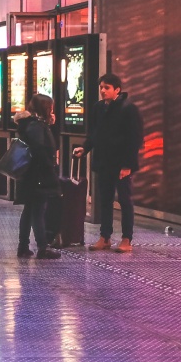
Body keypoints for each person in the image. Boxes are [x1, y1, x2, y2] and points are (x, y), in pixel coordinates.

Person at [74, 73, 144, 253]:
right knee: (104, 200)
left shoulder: (128, 109)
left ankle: (127, 238)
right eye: (101, 88)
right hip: (103, 161)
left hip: (121, 164)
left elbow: (134, 138)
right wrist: (85, 148)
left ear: (117, 90)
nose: (103, 91)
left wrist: (127, 165)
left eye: (107, 88)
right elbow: (94, 133)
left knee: (124, 200)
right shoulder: (98, 108)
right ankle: (105, 237)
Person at [14, 93, 62, 259]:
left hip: (31, 175)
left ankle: (23, 246)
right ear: (45, 108)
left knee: (29, 210)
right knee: (38, 211)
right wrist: (50, 167)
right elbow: (42, 149)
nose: (52, 111)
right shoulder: (36, 127)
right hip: (38, 176)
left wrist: (51, 126)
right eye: (50, 108)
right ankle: (42, 247)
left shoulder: (31, 124)